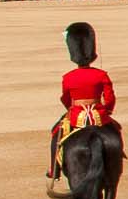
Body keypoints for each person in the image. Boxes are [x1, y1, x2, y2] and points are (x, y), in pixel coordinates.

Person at [49, 22, 119, 179]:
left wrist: (71, 109)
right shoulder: (101, 75)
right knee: (116, 132)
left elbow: (65, 98)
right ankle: (117, 159)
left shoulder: (68, 77)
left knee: (56, 134)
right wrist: (107, 110)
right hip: (99, 115)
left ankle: (54, 170)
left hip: (76, 115)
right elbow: (109, 97)